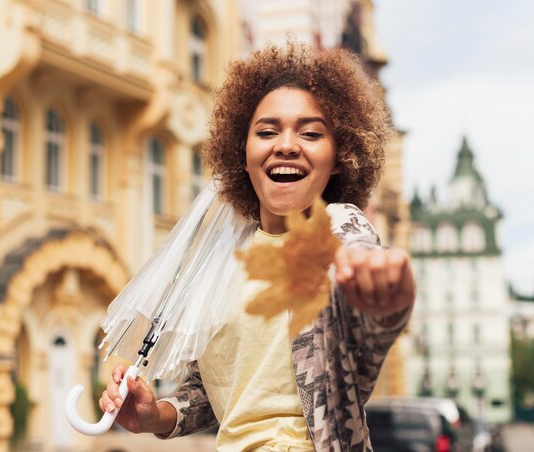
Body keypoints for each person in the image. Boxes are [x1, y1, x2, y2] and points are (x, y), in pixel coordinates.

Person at [99, 42, 415, 451]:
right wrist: (154, 415)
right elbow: (214, 390)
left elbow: (368, 306)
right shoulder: (221, 260)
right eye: (267, 131)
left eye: (311, 132)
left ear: (338, 157)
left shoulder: (339, 228)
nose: (286, 144)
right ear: (243, 154)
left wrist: (388, 295)